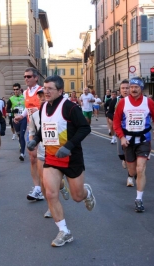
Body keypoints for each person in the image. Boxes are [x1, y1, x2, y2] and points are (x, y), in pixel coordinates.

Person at [27, 75, 95, 247]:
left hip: (71, 158)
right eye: (44, 88)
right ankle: (64, 231)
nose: (46, 91)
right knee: (50, 193)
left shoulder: (70, 107)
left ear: (60, 90)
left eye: (50, 88)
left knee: (77, 197)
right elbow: (45, 129)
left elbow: (85, 128)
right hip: (51, 157)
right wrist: (36, 139)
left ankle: (86, 193)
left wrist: (69, 146)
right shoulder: (43, 108)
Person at [113, 77, 154, 213]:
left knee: (141, 169)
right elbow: (116, 122)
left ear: (141, 88)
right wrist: (121, 137)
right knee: (133, 171)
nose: (133, 89)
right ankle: (131, 172)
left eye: (136, 87)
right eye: (131, 87)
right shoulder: (123, 102)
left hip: (144, 139)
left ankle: (139, 199)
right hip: (128, 141)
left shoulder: (148, 102)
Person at [28, 89, 70, 218]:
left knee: (57, 182)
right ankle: (50, 207)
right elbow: (32, 132)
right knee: (44, 182)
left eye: (43, 96)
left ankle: (61, 185)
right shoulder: (35, 116)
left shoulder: (59, 112)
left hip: (57, 151)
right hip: (42, 152)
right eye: (39, 97)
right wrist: (32, 145)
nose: (42, 99)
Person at [14, 67, 44, 201]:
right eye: (25, 76)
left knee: (43, 159)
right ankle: (37, 188)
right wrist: (21, 116)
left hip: (42, 127)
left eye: (29, 76)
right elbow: (28, 108)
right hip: (31, 127)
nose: (26, 79)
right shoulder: (25, 93)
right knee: (32, 157)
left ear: (36, 78)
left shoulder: (42, 91)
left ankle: (47, 187)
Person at [9, 84, 26, 156]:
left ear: (20, 89)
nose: (15, 91)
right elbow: (7, 109)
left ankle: (22, 153)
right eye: (14, 89)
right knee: (19, 136)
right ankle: (20, 144)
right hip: (16, 120)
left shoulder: (24, 97)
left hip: (23, 119)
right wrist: (12, 113)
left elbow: (28, 106)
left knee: (22, 136)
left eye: (17, 89)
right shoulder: (11, 99)